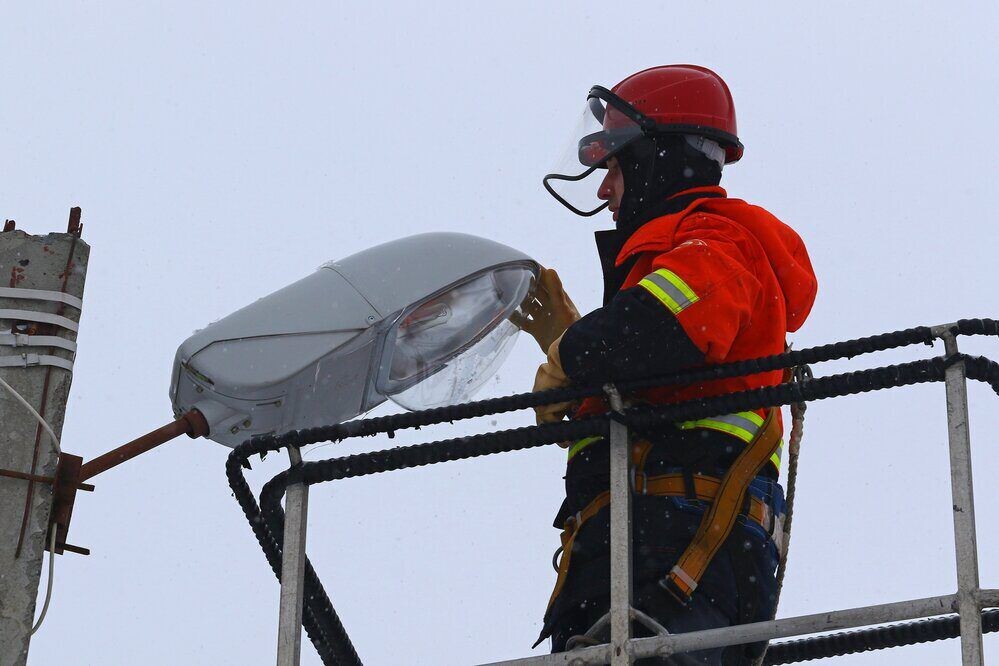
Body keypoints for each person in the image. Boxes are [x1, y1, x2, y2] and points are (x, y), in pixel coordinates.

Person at [515, 65, 818, 664]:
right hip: (649, 551)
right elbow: (654, 372)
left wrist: (574, 355)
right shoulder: (694, 256)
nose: (604, 191)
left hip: (676, 551)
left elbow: (659, 333)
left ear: (657, 160)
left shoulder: (717, 243)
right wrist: (578, 352)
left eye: (614, 168)